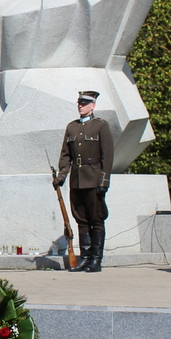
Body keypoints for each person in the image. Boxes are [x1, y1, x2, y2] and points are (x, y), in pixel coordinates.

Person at [54, 91, 113, 272]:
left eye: (85, 103)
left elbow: (107, 156)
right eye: (79, 103)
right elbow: (66, 154)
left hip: (94, 178)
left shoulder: (100, 126)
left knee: (96, 219)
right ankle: (85, 258)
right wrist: (61, 176)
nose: (81, 105)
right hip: (77, 180)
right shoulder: (72, 127)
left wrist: (104, 181)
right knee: (81, 220)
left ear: (93, 106)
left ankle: (96, 259)